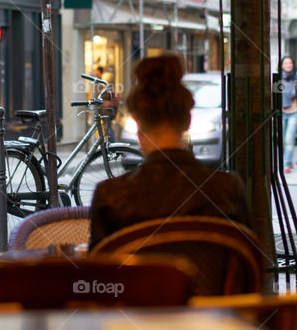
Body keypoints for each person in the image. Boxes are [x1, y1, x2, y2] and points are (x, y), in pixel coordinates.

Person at [89, 55, 251, 248]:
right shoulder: (227, 190)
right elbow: (247, 266)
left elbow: (101, 269)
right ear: (187, 121)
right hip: (206, 279)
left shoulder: (110, 196)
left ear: (137, 123)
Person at [278, 56, 297, 173]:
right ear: (282, 65)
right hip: (281, 112)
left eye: (290, 63)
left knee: (289, 139)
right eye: (286, 63)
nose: (288, 65)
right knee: (282, 139)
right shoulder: (277, 79)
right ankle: (287, 160)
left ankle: (286, 164)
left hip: (294, 112)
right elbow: (272, 96)